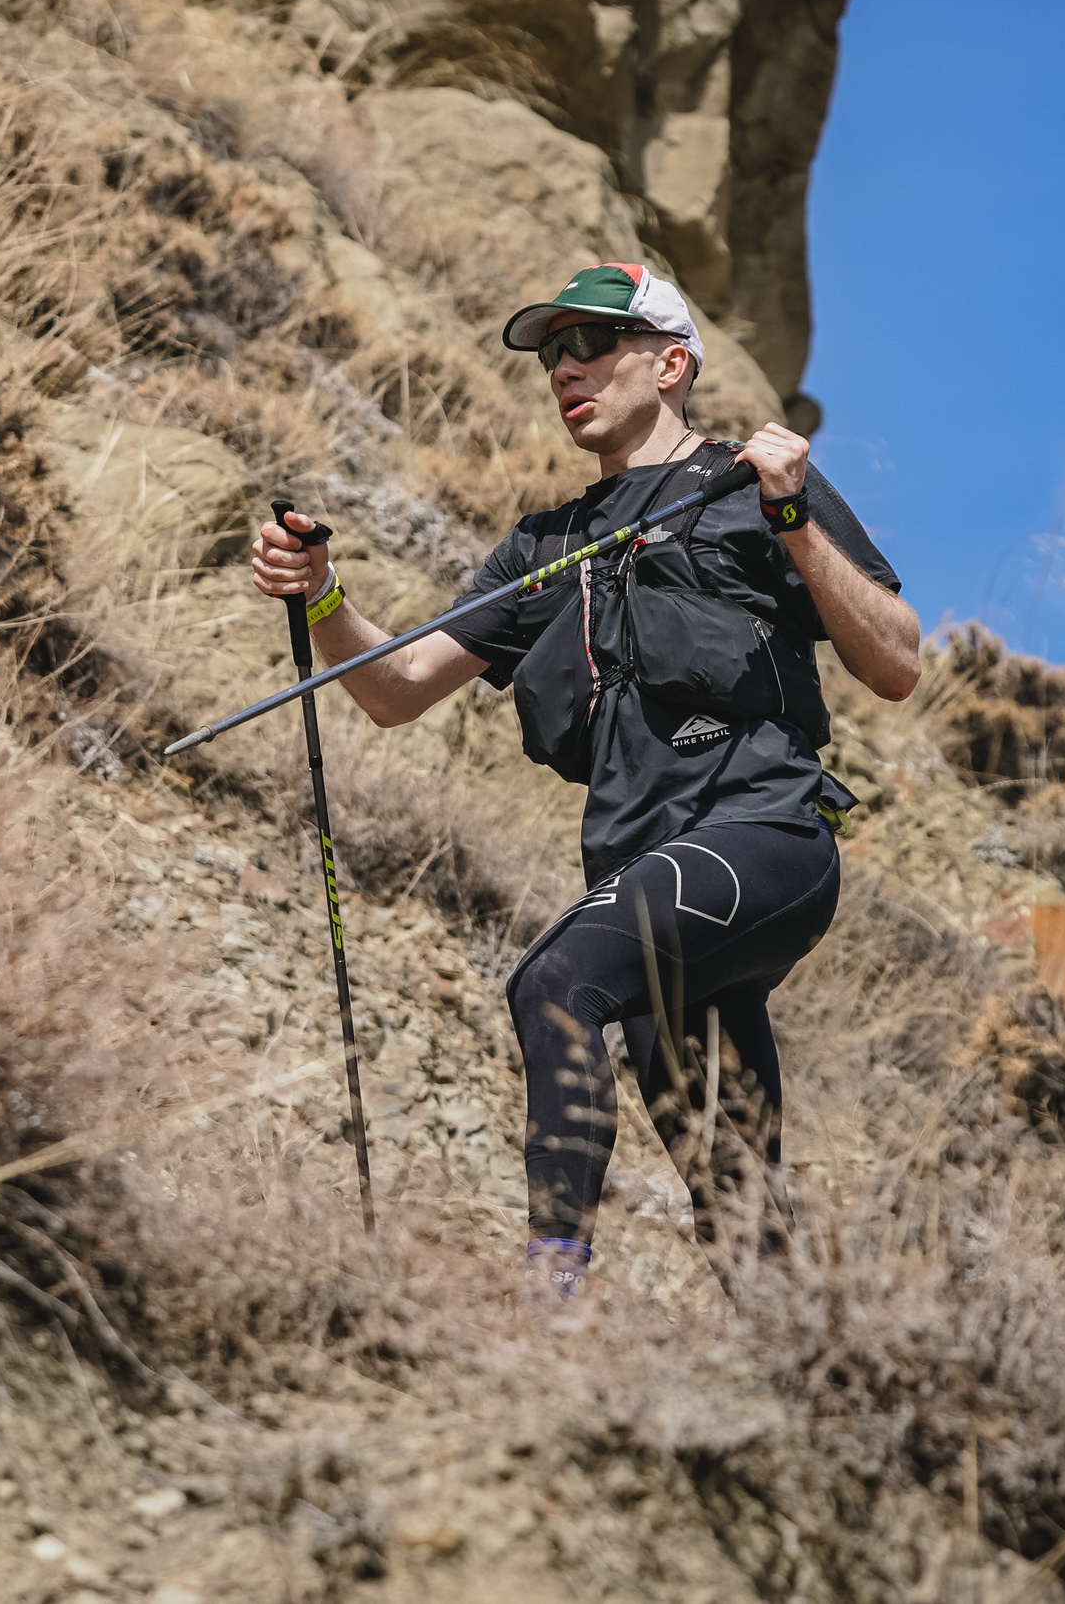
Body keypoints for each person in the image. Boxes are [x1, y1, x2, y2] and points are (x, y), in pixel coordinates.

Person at [249, 263, 919, 1298]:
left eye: (593, 344)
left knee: (556, 980)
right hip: (647, 870)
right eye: (552, 353)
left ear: (670, 363)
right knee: (732, 1189)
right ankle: (815, 1397)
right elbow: (394, 688)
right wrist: (323, 592)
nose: (566, 368)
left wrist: (791, 518)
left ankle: (545, 1300)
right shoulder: (541, 548)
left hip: (764, 835)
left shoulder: (750, 480)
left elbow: (896, 663)